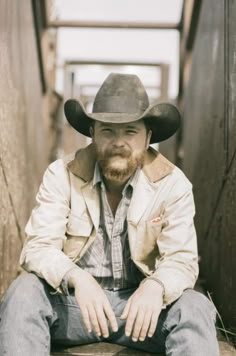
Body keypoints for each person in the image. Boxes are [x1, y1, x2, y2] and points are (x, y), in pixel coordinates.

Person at [0, 73, 219, 355]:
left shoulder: (173, 184)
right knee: (23, 293)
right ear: (92, 133)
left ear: (148, 136)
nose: (119, 142)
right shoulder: (61, 175)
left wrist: (156, 286)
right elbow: (38, 248)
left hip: (144, 314)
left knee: (195, 306)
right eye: (108, 131)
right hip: (77, 308)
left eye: (130, 131)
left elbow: (183, 260)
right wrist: (77, 279)